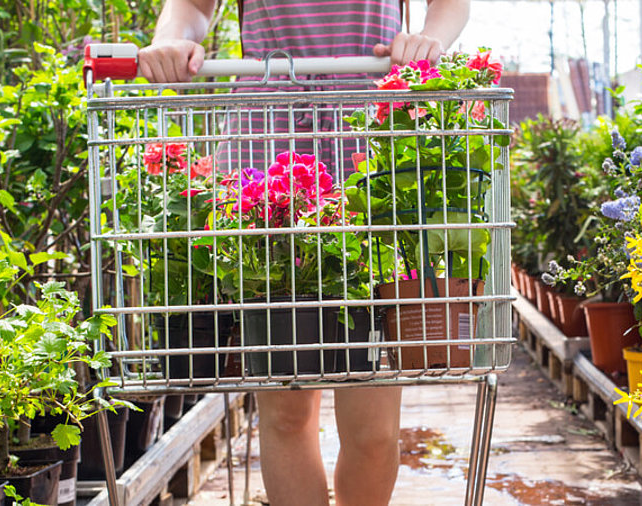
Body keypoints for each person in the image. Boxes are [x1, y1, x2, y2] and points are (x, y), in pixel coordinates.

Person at [139, 1, 470, 505]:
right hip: (264, 150)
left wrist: (431, 38)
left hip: (370, 144)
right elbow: (190, 6)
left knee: (374, 428)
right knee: (288, 412)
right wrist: (172, 39)